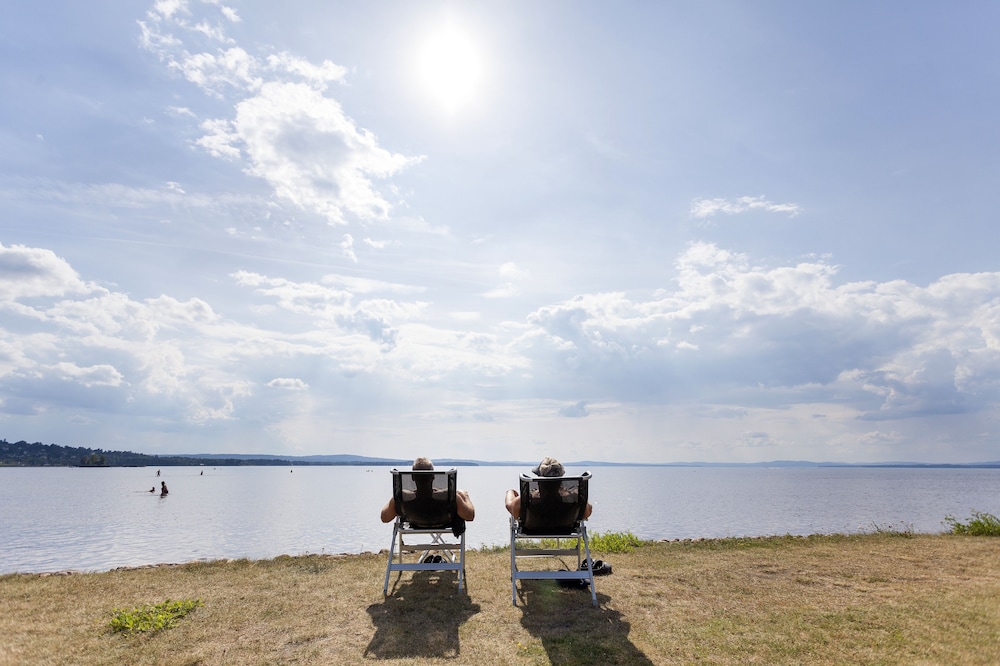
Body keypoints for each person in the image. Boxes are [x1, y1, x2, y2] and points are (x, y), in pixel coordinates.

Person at [380, 457, 475, 523]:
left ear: (412, 477)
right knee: (462, 494)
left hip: (415, 523)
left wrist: (394, 499)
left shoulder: (402, 497)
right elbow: (469, 516)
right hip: (442, 522)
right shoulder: (450, 496)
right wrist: (465, 496)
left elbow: (385, 518)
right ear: (433, 476)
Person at [505, 456, 593, 519]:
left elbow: (510, 506)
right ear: (560, 480)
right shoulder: (573, 497)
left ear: (539, 481)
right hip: (566, 528)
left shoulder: (528, 499)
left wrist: (510, 492)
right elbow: (587, 512)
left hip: (533, 528)